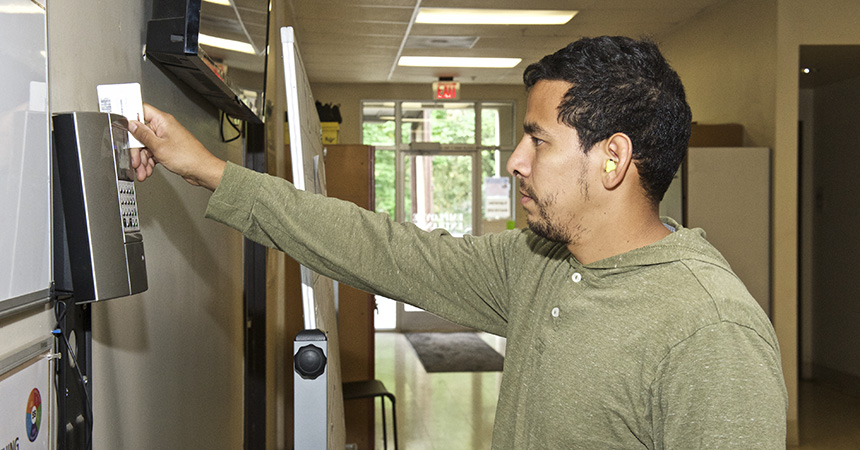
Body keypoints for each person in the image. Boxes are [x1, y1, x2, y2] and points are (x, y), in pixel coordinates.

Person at [128, 36, 788, 449]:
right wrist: (209, 170)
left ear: (612, 159)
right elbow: (377, 247)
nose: (514, 162)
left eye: (537, 139)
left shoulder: (711, 332)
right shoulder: (541, 264)